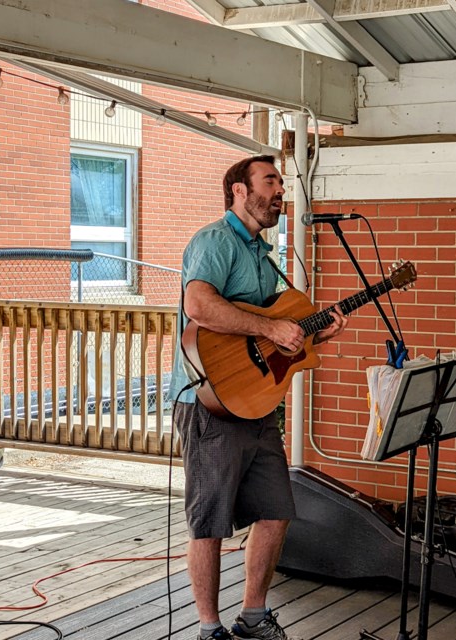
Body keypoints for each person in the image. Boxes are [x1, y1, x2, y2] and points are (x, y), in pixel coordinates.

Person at [169, 155, 348, 640]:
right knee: (208, 520)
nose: (280, 192)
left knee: (276, 510)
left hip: (256, 403)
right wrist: (271, 325)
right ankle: (209, 629)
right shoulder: (215, 241)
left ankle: (253, 616)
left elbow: (265, 343)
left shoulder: (262, 253)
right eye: (270, 181)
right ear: (239, 191)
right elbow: (200, 305)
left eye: (280, 184)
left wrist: (311, 335)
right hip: (208, 403)